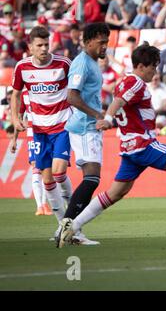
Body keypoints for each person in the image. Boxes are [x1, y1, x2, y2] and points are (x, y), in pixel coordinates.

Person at [57, 44, 166, 247]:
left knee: (115, 193)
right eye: (153, 67)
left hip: (129, 148)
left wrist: (111, 119)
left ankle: (71, 226)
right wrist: (107, 118)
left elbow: (120, 101)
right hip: (143, 144)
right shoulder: (136, 83)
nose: (155, 71)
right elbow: (118, 103)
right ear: (141, 66)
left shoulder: (125, 81)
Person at [10, 26, 73, 239]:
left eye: (47, 44)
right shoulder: (22, 67)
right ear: (30, 47)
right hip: (38, 131)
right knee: (47, 180)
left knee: (59, 172)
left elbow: (75, 90)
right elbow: (16, 95)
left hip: (62, 126)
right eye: (39, 45)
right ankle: (64, 227)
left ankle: (74, 208)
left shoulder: (63, 64)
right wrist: (15, 118)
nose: (44, 49)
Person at [56, 22, 111, 248]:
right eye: (101, 42)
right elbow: (72, 97)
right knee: (91, 179)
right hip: (84, 127)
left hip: (90, 127)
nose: (105, 46)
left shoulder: (92, 63)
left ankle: (68, 227)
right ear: (88, 42)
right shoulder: (81, 64)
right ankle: (69, 227)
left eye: (106, 42)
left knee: (91, 180)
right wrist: (97, 114)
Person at [9, 90, 51, 216]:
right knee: (36, 167)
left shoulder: (45, 88)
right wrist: (14, 139)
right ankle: (40, 206)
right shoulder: (24, 95)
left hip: (49, 131)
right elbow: (19, 118)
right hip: (33, 133)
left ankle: (45, 204)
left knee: (48, 169)